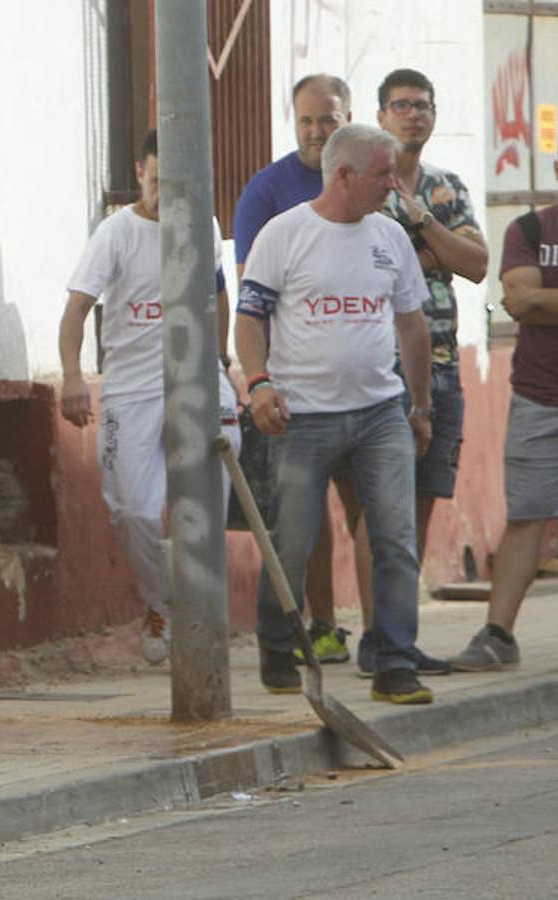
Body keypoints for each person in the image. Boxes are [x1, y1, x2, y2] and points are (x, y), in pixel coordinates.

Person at [236, 123, 436, 704]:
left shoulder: (391, 237)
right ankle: (277, 641)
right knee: (292, 540)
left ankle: (396, 661)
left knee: (395, 538)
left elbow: (412, 325)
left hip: (380, 413)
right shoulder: (285, 234)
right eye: (383, 174)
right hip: (302, 417)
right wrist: (258, 384)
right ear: (344, 174)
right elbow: (249, 319)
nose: (392, 186)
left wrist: (419, 406)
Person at [59, 128, 241, 666]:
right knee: (134, 510)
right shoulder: (116, 234)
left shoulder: (202, 222)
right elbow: (76, 309)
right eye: (158, 179)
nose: (166, 191)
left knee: (222, 471)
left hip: (200, 380)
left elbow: (217, 290)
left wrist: (223, 360)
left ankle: (201, 602)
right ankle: (160, 605)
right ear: (140, 174)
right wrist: (72, 375)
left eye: (176, 181)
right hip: (131, 390)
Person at [353, 68, 488, 677]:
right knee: (379, 510)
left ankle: (400, 636)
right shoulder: (360, 188)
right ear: (380, 116)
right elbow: (367, 266)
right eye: (401, 106)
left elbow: (478, 266)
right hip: (377, 369)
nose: (413, 115)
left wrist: (423, 225)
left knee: (422, 504)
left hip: (440, 365)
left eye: (423, 106)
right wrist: (433, 254)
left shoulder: (446, 188)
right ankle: (374, 636)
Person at [450, 117, 558, 672]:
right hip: (539, 398)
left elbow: (531, 301)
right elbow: (516, 298)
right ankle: (496, 636)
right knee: (526, 519)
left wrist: (542, 299)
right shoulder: (527, 231)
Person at [233, 73, 360, 666]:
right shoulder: (265, 191)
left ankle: (386, 637)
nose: (316, 132)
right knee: (303, 519)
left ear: (349, 119)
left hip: (365, 388)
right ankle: (320, 627)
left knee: (373, 512)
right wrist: (259, 380)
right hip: (292, 387)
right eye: (306, 120)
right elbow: (249, 300)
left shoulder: (368, 183)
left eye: (328, 119)